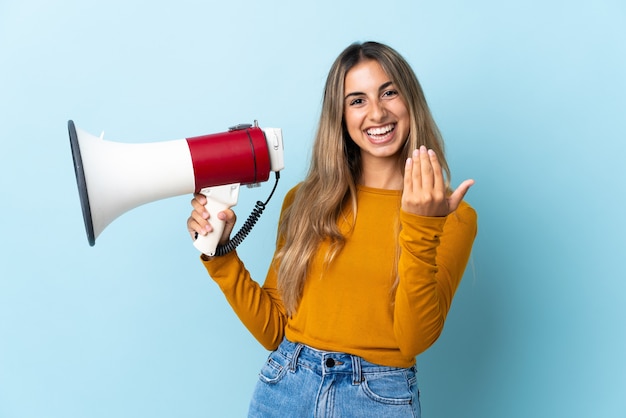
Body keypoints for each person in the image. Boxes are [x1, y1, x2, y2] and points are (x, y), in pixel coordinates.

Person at [187, 41, 477, 418]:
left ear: (411, 102)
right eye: (357, 101)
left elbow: (412, 340)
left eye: (389, 92)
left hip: (378, 397)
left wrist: (422, 226)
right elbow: (275, 330)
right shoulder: (305, 201)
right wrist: (221, 256)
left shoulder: (451, 216)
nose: (377, 112)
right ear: (339, 116)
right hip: (286, 386)